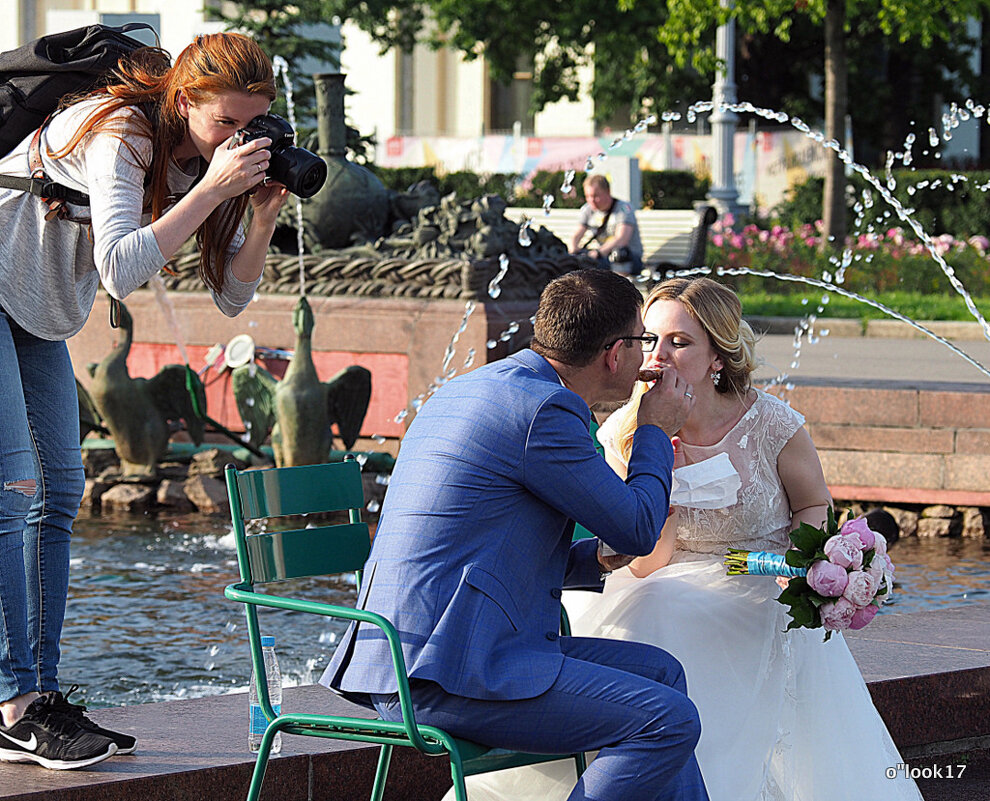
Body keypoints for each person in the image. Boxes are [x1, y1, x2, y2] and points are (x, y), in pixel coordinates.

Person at [450, 277, 922, 801]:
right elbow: (645, 561)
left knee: (688, 614)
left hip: (766, 582)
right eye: (649, 340)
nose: (659, 355)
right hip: (667, 578)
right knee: (660, 608)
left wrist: (810, 557)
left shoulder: (771, 424)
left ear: (717, 356)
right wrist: (663, 483)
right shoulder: (627, 431)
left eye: (679, 342)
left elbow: (814, 500)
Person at [0, 32, 288, 770]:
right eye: (225, 121)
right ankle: (11, 702)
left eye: (251, 123)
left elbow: (231, 295)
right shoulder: (121, 128)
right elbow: (122, 269)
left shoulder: (207, 161)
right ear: (183, 100)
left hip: (37, 303)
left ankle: (41, 695)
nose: (238, 138)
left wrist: (254, 217)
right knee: (11, 489)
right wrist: (213, 188)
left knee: (60, 490)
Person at [322, 269, 710, 801]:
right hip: (441, 671)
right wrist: (653, 428)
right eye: (643, 339)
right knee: (665, 721)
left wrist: (593, 559)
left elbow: (484, 544)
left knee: (662, 675)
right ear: (615, 354)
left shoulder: (478, 386)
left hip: (410, 652)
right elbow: (640, 528)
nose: (650, 356)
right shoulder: (544, 412)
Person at [569, 174, 644, 276]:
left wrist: (598, 253)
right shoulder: (587, 210)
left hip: (627, 258)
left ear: (608, 192)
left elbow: (621, 239)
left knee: (618, 254)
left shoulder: (624, 208)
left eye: (596, 196)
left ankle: (620, 289)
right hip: (603, 258)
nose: (592, 200)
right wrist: (572, 250)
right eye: (588, 196)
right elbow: (577, 235)